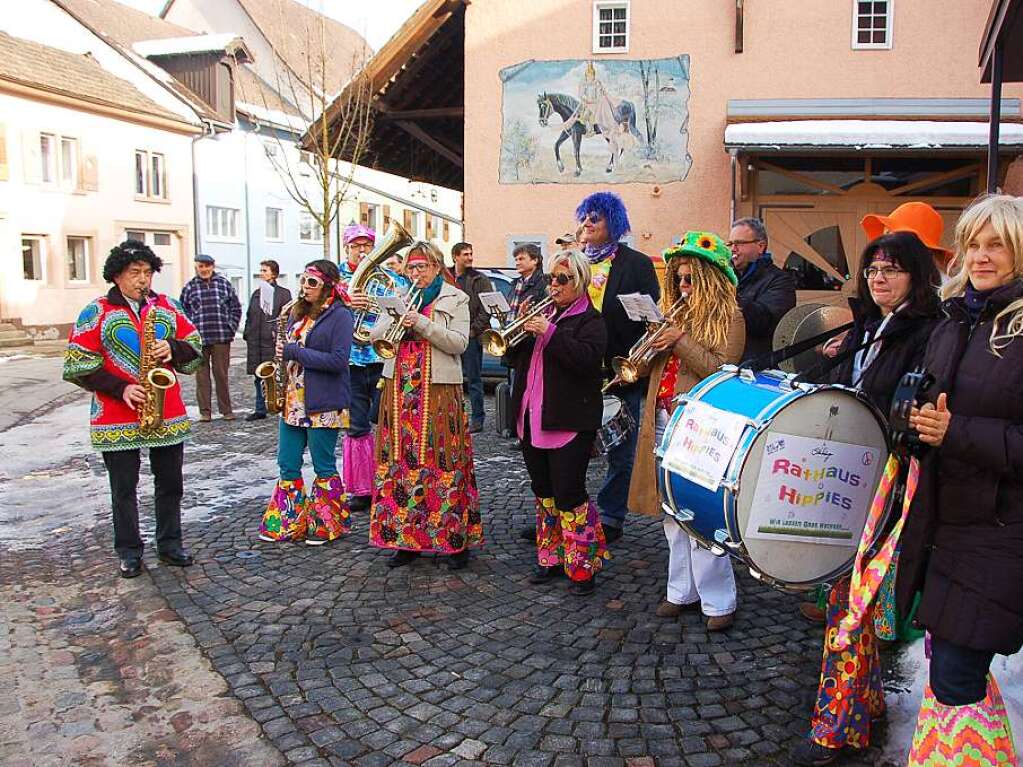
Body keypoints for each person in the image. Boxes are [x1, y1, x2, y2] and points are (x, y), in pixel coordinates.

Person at [790, 224, 942, 766]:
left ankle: (839, 727)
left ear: (918, 276)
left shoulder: (929, 332)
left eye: (891, 269)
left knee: (850, 603)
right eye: (873, 269)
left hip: (889, 486)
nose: (878, 278)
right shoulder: (870, 325)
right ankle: (867, 701)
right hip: (852, 479)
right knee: (849, 595)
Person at [898, 194, 1023, 765]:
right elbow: (931, 403)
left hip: (999, 532)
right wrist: (913, 423)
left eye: (996, 243)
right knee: (954, 674)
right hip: (941, 523)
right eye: (973, 243)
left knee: (954, 674)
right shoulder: (953, 319)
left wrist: (956, 431)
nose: (982, 255)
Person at [627, 232, 745, 631]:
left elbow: (722, 371)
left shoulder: (731, 317)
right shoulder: (674, 315)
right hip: (662, 420)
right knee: (670, 513)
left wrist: (679, 341)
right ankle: (681, 591)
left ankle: (719, 601)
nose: (682, 287)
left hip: (701, 428)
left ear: (710, 278)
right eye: (678, 279)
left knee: (702, 512)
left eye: (690, 279)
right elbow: (641, 370)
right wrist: (649, 347)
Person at [63, 240, 202, 578]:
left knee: (170, 483)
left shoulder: (167, 307)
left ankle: (170, 544)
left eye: (147, 272)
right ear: (116, 277)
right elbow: (76, 365)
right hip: (115, 413)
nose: (143, 280)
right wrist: (121, 388)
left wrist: (172, 347)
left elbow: (196, 348)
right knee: (123, 489)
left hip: (165, 410)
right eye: (134, 273)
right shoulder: (95, 312)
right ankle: (128, 551)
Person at [369, 242, 483, 570]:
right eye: (411, 268)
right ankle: (406, 540)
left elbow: (459, 342)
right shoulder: (400, 296)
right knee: (400, 464)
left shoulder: (455, 297)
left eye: (422, 267)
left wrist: (420, 323)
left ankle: (454, 542)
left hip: (437, 391)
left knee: (444, 461)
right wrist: (390, 319)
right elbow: (377, 338)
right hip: (400, 391)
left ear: (436, 266)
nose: (416, 274)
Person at [506, 250, 609, 595]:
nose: (554, 285)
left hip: (568, 422)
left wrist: (549, 332)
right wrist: (519, 329)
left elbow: (586, 361)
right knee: (544, 492)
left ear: (579, 281)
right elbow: (509, 355)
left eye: (562, 279)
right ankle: (550, 558)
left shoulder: (590, 321)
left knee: (570, 494)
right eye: (551, 278)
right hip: (532, 418)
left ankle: (583, 567)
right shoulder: (544, 313)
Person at [578, 192, 660, 543]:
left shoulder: (636, 264)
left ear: (613, 223)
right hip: (578, 367)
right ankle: (568, 512)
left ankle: (611, 515)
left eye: (594, 218)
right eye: (584, 217)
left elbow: (651, 317)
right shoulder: (575, 262)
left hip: (618, 370)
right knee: (572, 447)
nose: (587, 223)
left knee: (621, 451)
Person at [259, 260, 353, 546]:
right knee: (287, 462)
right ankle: (288, 522)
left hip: (323, 403)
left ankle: (328, 524)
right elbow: (289, 349)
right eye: (303, 280)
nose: (305, 288)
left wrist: (296, 352)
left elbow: (338, 360)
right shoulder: (296, 313)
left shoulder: (341, 316)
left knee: (323, 465)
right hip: (293, 401)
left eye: (312, 283)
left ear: (327, 286)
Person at [339, 223, 410, 512]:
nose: (363, 250)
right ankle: (362, 489)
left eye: (367, 244)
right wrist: (345, 303)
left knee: (389, 424)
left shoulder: (391, 278)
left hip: (383, 360)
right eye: (356, 245)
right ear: (346, 248)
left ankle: (390, 482)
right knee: (356, 426)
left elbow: (405, 303)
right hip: (350, 361)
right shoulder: (335, 281)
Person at [179, 253, 242, 422]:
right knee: (202, 377)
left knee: (221, 375)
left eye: (207, 266)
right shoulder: (189, 287)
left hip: (221, 336)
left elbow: (235, 308)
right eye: (201, 266)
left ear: (213, 267)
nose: (204, 269)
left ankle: (226, 410)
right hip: (199, 340)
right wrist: (189, 333)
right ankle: (205, 412)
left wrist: (231, 328)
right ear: (196, 267)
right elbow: (182, 313)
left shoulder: (223, 284)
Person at [728, 217, 796, 362]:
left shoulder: (780, 280)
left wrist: (728, 293)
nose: (733, 249)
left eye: (739, 243)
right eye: (730, 243)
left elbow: (764, 323)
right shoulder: (727, 275)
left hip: (755, 367)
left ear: (760, 246)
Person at [243, 260, 292, 421]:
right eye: (261, 270)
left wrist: (277, 333)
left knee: (276, 375)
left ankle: (279, 404)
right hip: (256, 341)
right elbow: (250, 315)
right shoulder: (257, 293)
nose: (262, 273)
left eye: (265, 270)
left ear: (274, 273)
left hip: (271, 342)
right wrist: (248, 333)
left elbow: (287, 317)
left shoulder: (283, 293)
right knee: (259, 376)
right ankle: (260, 408)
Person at [452, 241, 493, 433]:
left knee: (474, 380)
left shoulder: (480, 279)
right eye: (465, 254)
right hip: (450, 335)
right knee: (452, 380)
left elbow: (487, 308)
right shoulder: (446, 276)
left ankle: (478, 419)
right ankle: (455, 417)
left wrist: (473, 330)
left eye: (471, 253)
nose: (470, 257)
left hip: (470, 336)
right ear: (455, 257)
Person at [508, 243, 548, 318]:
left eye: (521, 259)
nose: (517, 263)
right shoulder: (514, 283)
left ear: (535, 260)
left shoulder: (543, 283)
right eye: (516, 260)